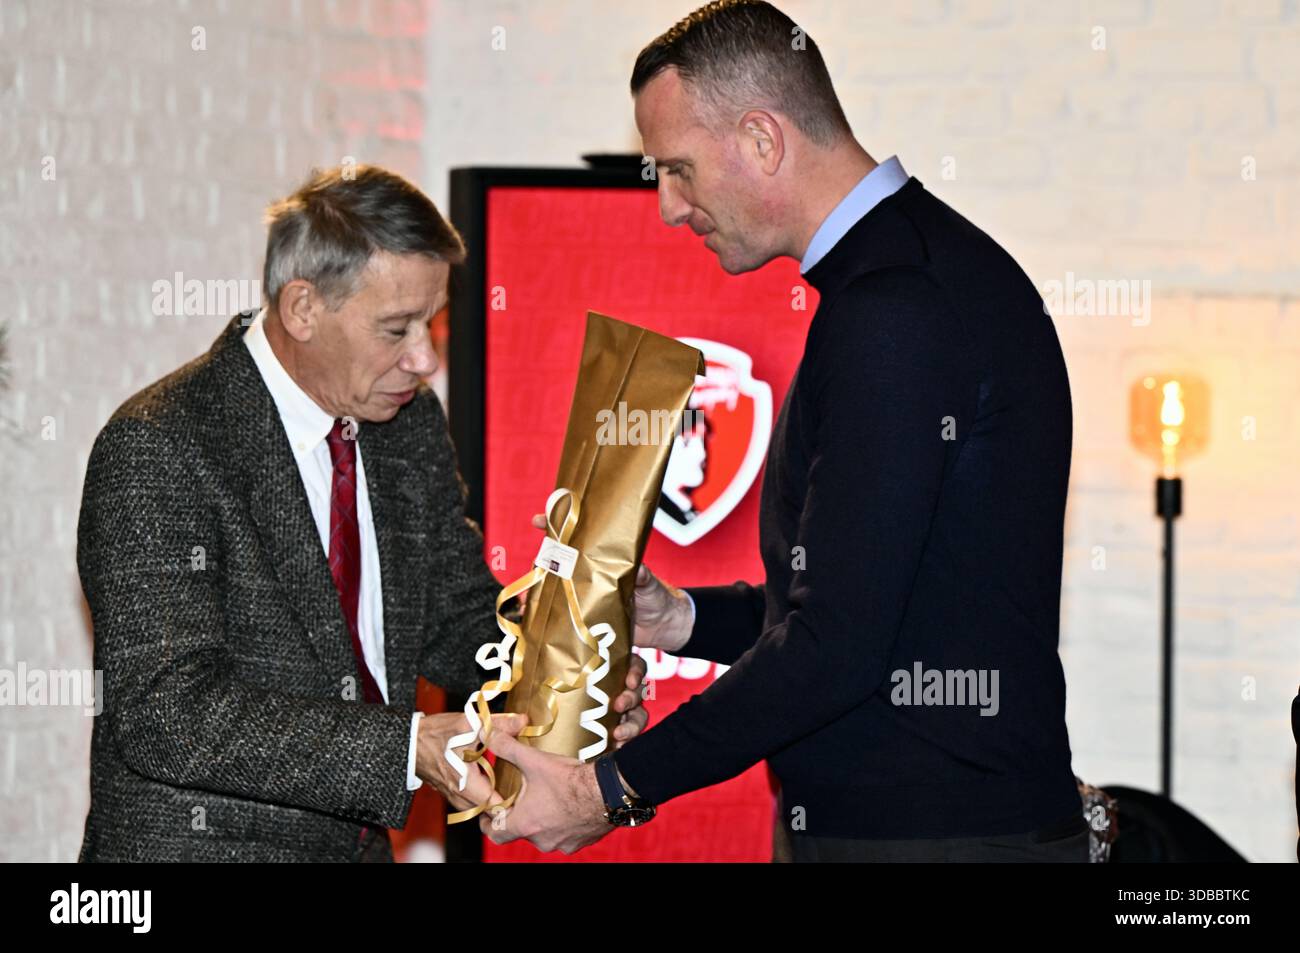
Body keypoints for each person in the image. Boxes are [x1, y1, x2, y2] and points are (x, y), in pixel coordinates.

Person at [482, 0, 1086, 862]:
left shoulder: (894, 309)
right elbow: (892, 604)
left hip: (930, 841)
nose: (668, 206)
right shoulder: (911, 274)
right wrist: (683, 618)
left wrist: (604, 788)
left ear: (763, 140)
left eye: (679, 169)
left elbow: (837, 647)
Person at [75, 165, 648, 862]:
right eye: (396, 328)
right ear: (303, 308)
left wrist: (574, 672)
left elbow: (456, 618)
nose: (425, 358)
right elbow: (168, 711)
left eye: (432, 322)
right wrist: (405, 747)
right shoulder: (160, 443)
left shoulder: (405, 424)